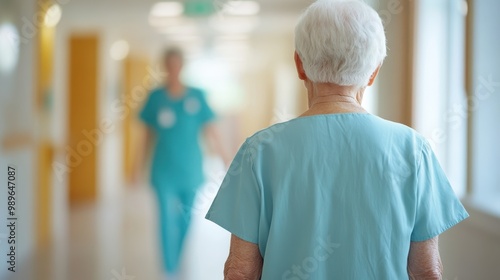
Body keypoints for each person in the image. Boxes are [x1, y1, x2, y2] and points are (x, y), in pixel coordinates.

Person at [205, 0, 469, 279]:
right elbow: (427, 271)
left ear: (300, 65)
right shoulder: (413, 151)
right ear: (373, 72)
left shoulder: (258, 151)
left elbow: (240, 271)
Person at [137, 47, 228, 279]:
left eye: (177, 65)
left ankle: (176, 259)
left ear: (182, 66)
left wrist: (227, 159)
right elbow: (146, 136)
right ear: (165, 67)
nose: (173, 70)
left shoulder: (196, 96)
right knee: (166, 219)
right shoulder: (155, 97)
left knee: (186, 219)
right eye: (170, 65)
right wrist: (136, 165)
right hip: (163, 170)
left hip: (191, 170)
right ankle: (169, 269)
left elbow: (211, 130)